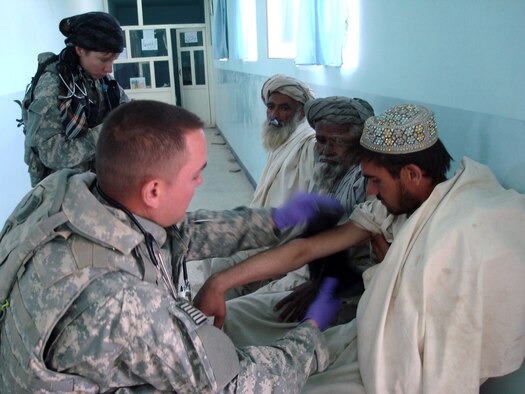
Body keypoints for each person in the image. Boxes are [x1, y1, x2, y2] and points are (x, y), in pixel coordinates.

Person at [0, 100, 347, 392]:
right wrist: (311, 335)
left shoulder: (64, 195)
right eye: (195, 174)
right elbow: (235, 383)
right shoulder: (121, 303)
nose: (199, 183)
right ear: (153, 191)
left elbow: (180, 233)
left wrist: (277, 221)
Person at [195, 104, 525, 392]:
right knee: (242, 327)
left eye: (376, 180)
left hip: (401, 355)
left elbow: (450, 322)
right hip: (366, 334)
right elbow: (304, 251)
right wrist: (220, 282)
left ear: (411, 174)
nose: (369, 189)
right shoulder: (384, 211)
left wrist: (389, 267)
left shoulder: (463, 222)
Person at [210, 96, 380, 343]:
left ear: (359, 143)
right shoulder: (325, 165)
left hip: (334, 285)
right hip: (304, 259)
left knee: (233, 314)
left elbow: (339, 256)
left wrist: (321, 286)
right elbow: (302, 233)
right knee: (224, 268)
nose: (324, 149)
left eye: (336, 142)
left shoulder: (369, 186)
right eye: (321, 140)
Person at [20, 11, 129, 187]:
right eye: (103, 60)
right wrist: (109, 132)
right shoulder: (52, 86)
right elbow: (52, 153)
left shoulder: (99, 80)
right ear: (79, 49)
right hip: (62, 193)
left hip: (94, 183)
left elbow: (127, 111)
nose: (109, 69)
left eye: (113, 61)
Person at [251, 73, 317, 208]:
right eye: (270, 107)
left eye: (284, 108)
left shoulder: (309, 143)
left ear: (302, 112)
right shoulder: (281, 138)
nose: (274, 115)